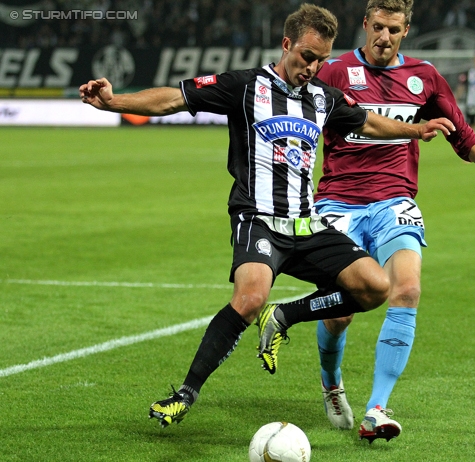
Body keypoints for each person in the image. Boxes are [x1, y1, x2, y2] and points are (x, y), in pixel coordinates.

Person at [79, 3, 454, 429]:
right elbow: (174, 98)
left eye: (322, 60)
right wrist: (113, 102)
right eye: (307, 57)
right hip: (258, 220)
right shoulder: (244, 86)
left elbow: (367, 122)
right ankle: (185, 393)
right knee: (250, 297)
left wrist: (416, 129)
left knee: (374, 287)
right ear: (287, 44)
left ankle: (286, 316)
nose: (313, 67)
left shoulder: (323, 98)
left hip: (306, 224)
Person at [256, 0, 475, 443]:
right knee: (342, 311)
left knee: (408, 289)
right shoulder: (335, 71)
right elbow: (288, 98)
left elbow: (458, 128)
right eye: (377, 27)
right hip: (338, 201)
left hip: (394, 200)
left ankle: (377, 409)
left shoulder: (424, 76)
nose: (384, 37)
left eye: (393, 30)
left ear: (405, 30)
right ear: (365, 25)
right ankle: (331, 382)